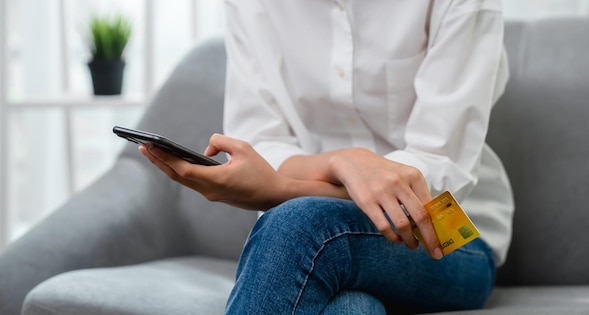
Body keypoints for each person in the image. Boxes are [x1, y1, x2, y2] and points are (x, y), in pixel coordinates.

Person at [140, 0, 514, 313]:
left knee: (301, 224)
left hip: (448, 231)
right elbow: (264, 140)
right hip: (323, 248)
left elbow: (437, 170)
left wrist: (282, 189)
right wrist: (341, 162)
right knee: (351, 309)